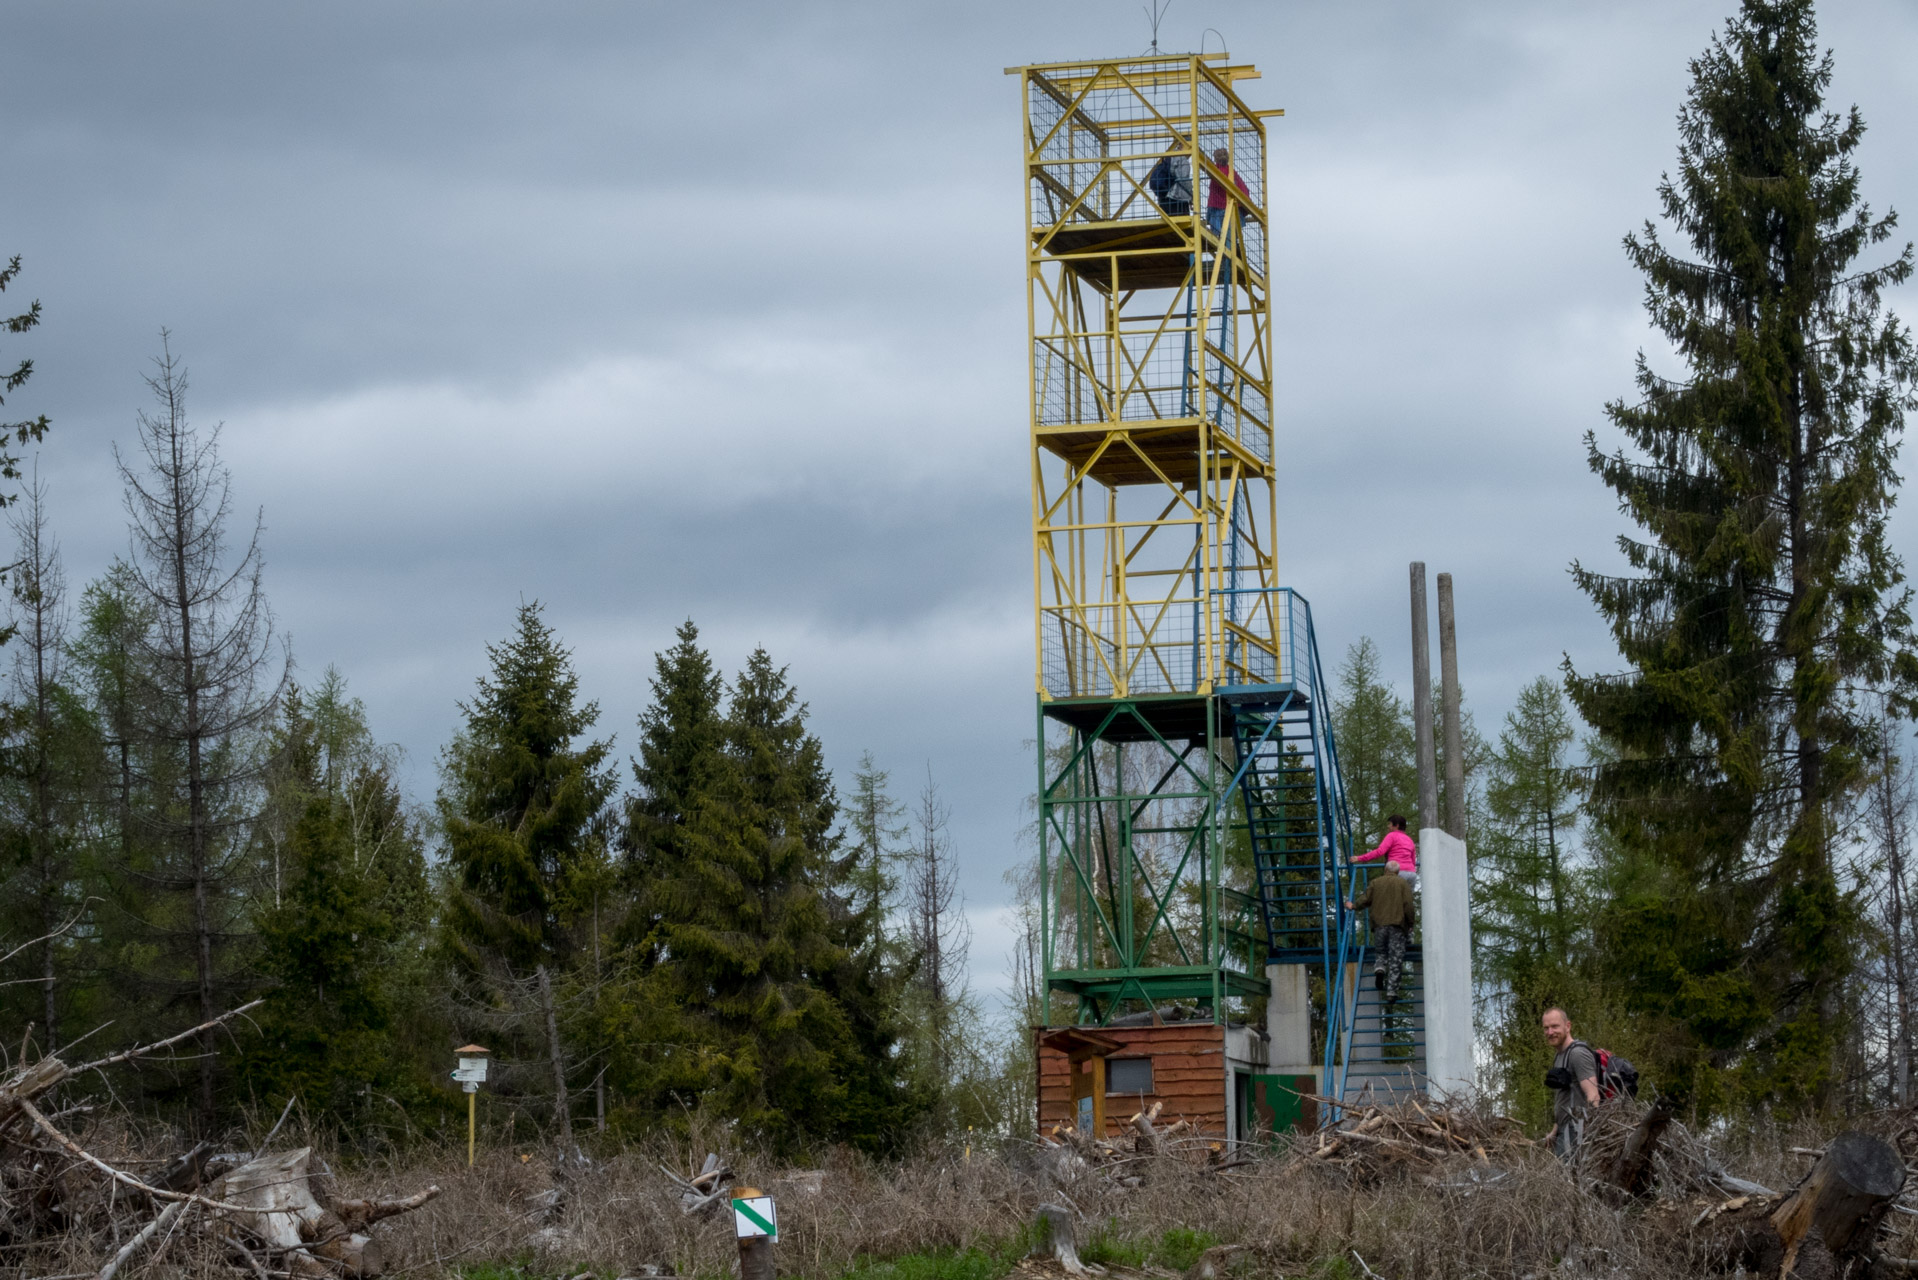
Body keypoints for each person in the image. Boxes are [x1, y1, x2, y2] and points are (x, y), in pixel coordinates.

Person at [1344, 864, 1415, 1005]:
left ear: (1385, 870)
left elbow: (1365, 899)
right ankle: (1391, 992)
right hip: (1397, 926)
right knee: (1395, 958)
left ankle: (1380, 968)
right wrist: (1411, 923)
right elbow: (1408, 904)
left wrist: (1353, 906)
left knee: (1381, 952)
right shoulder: (1403, 884)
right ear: (1398, 871)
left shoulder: (1376, 883)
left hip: (1379, 926)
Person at [1541, 1007, 1601, 1160]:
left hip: (1578, 1129)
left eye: (1555, 1026)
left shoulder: (1578, 1054)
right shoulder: (1559, 1055)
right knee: (1563, 1178)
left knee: (1568, 1179)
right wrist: (1555, 1132)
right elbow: (1564, 1097)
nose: (1550, 1032)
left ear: (1568, 1026)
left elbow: (1593, 1095)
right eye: (1546, 1028)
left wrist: (1588, 1134)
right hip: (1565, 1129)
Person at [1354, 814, 1419, 890]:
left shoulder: (1391, 836)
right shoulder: (1409, 840)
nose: (1388, 826)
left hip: (1397, 872)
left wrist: (1359, 858)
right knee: (1407, 900)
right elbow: (1413, 860)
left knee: (1392, 899)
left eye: (1390, 824)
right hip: (1411, 873)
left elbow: (1380, 852)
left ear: (1396, 825)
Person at [1204, 147, 1249, 237]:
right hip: (1232, 206)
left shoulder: (1214, 170)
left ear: (1216, 158)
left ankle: (1219, 237)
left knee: (1217, 230)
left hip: (1216, 207)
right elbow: (1244, 189)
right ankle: (1233, 245)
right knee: (1231, 234)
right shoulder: (1231, 172)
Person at [1146, 149, 1192, 217]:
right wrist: (1191, 196)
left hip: (1163, 198)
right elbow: (1183, 179)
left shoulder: (1168, 158)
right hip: (1176, 198)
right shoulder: (1181, 159)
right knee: (1181, 225)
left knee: (1169, 224)